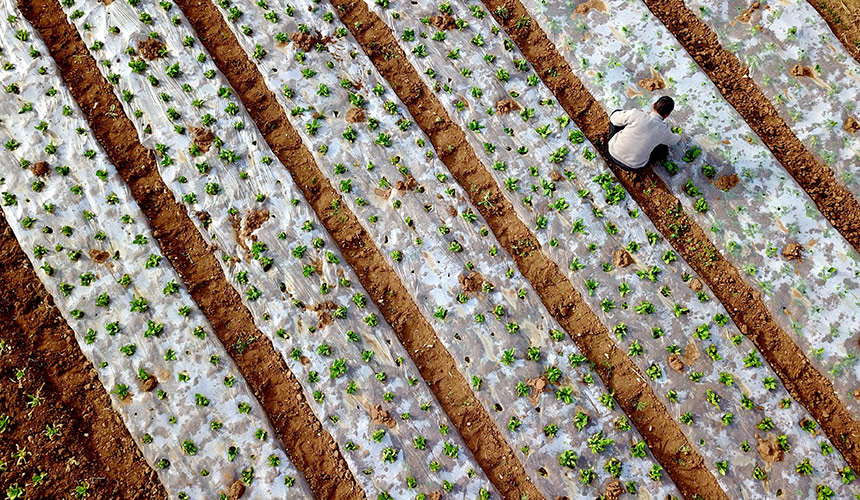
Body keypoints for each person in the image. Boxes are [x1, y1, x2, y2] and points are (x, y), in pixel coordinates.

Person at [606, 96, 680, 172]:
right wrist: (679, 135)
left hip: (612, 152)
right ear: (667, 115)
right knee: (664, 149)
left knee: (617, 114)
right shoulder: (664, 130)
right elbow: (674, 141)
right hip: (632, 166)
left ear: (653, 105)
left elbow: (613, 118)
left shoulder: (637, 114)